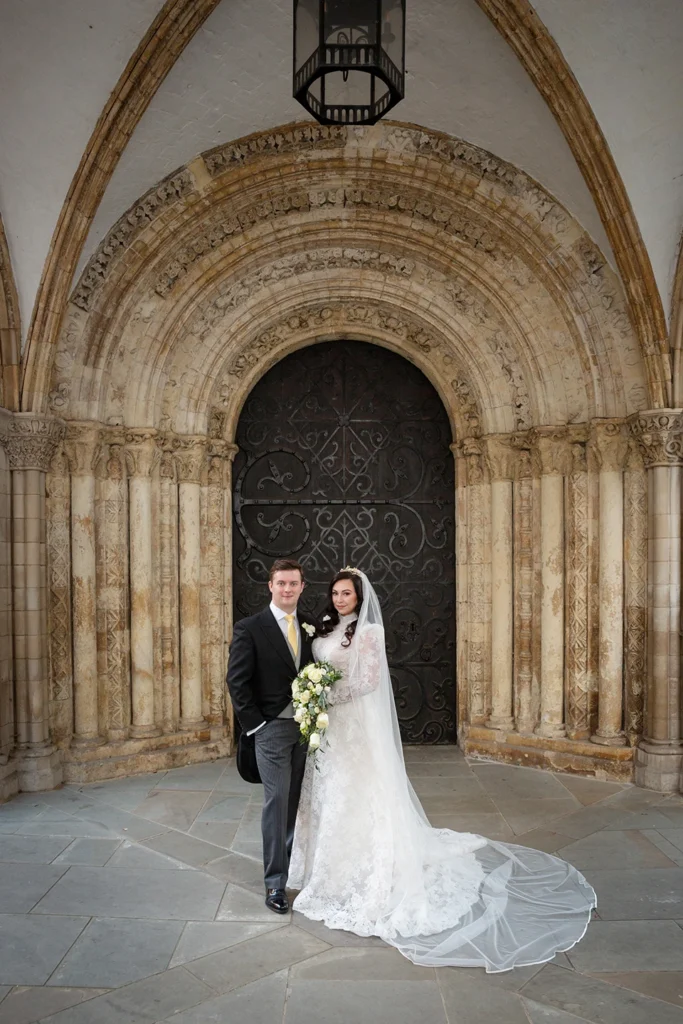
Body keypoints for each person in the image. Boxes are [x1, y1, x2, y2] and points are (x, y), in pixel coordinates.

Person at [288, 568, 597, 972]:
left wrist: (324, 694)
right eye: (336, 592)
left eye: (346, 593)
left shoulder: (369, 633)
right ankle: (320, 866)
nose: (340, 598)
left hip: (353, 726)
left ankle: (368, 867)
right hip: (330, 730)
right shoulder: (326, 627)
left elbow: (367, 681)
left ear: (360, 598)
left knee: (360, 793)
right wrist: (314, 693)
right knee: (331, 793)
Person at [226, 558, 317, 914]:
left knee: (296, 802)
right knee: (276, 804)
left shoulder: (310, 625)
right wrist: (256, 726)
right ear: (270, 586)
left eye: (294, 583)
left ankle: (293, 866)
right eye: (281, 583)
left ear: (302, 587)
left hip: (306, 729)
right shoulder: (251, 627)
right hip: (271, 730)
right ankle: (275, 884)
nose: (288, 589)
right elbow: (237, 681)